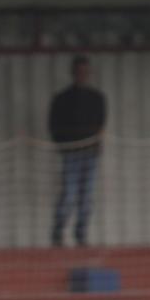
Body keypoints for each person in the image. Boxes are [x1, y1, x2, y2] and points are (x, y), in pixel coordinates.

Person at [47, 55, 106, 248]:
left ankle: (81, 235)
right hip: (70, 153)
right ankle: (58, 232)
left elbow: (101, 127)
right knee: (69, 194)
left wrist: (96, 144)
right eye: (79, 71)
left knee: (86, 196)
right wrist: (64, 145)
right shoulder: (62, 99)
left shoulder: (97, 98)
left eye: (85, 72)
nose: (82, 75)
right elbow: (53, 126)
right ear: (73, 73)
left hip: (89, 154)